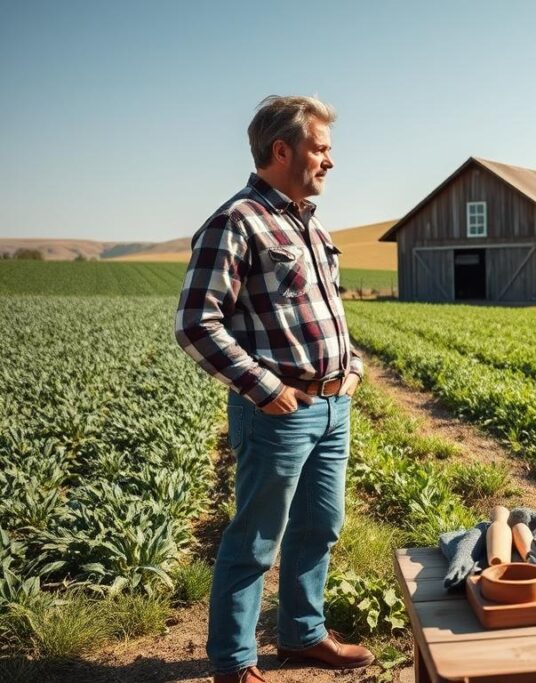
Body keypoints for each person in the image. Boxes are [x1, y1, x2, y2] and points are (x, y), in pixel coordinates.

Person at [175, 95, 374, 683]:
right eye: (321, 147)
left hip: (335, 404)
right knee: (257, 539)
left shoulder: (310, 223)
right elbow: (195, 322)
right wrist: (265, 389)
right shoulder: (235, 222)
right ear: (281, 150)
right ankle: (234, 662)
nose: (330, 161)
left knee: (321, 525)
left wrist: (354, 365)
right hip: (280, 411)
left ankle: (300, 634)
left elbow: (328, 312)